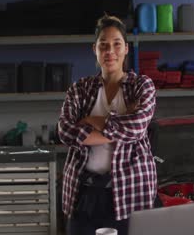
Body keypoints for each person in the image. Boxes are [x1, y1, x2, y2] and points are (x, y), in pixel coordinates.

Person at [58, 14, 157, 235]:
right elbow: (65, 132)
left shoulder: (142, 86)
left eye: (116, 44)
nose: (109, 51)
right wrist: (121, 122)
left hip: (130, 193)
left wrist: (88, 121)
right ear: (94, 49)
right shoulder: (80, 89)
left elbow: (138, 126)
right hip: (84, 193)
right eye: (103, 45)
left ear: (126, 48)